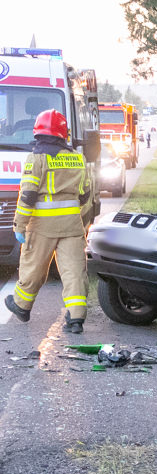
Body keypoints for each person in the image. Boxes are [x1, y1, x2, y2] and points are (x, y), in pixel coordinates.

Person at [5, 109, 90, 334]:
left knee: (33, 267)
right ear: (63, 134)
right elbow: (85, 194)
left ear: (38, 132)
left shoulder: (36, 158)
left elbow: (28, 196)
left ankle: (22, 306)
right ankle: (76, 318)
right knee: (74, 271)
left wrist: (19, 225)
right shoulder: (77, 158)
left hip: (41, 226)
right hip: (72, 226)